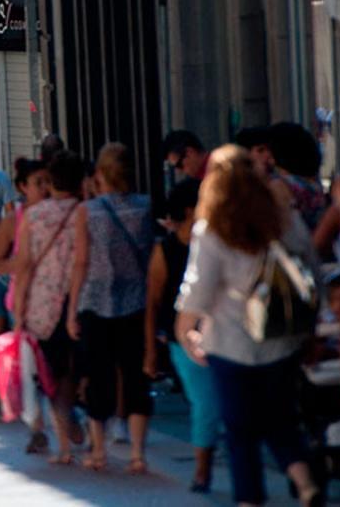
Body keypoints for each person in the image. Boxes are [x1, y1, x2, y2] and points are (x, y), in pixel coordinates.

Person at [175, 145, 321, 507]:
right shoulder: (283, 220)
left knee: (240, 431)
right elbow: (311, 269)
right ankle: (304, 481)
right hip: (281, 337)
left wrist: (186, 330)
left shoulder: (212, 229)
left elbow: (199, 289)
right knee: (282, 417)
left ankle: (250, 500)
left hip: (230, 342)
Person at [65, 142, 155, 472]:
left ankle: (99, 451)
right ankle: (137, 454)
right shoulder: (144, 207)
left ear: (100, 174)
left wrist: (73, 308)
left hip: (96, 300)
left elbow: (80, 262)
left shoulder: (88, 212)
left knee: (97, 375)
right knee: (135, 375)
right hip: (136, 300)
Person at [11, 151, 86, 464]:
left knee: (51, 372)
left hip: (41, 304)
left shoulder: (34, 216)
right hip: (78, 300)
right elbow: (82, 260)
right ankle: (74, 415)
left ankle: (64, 445)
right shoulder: (84, 212)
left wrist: (18, 309)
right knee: (75, 369)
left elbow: (24, 264)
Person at [144, 179, 216, 492]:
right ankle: (202, 470)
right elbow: (153, 301)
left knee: (215, 403)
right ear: (191, 209)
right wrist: (149, 350)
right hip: (182, 338)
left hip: (222, 333)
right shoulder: (167, 249)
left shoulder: (216, 242)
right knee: (205, 402)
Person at [0, 159, 50, 431]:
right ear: (22, 187)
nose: (45, 188)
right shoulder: (12, 218)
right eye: (38, 183)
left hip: (28, 293)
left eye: (47, 182)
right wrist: (22, 263)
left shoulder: (54, 214)